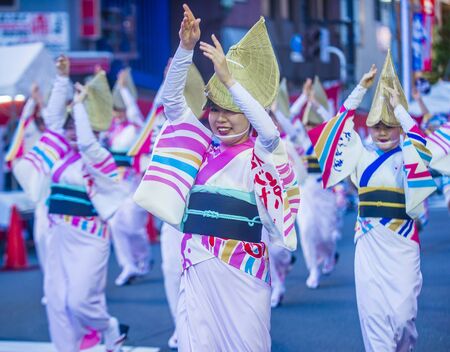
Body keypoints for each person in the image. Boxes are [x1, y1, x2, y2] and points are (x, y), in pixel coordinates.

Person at [134, 5, 299, 351]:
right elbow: (172, 103)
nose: (221, 119)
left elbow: (269, 132)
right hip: (196, 266)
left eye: (232, 111)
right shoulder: (199, 147)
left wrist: (229, 82)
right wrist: (185, 49)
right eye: (216, 110)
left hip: (244, 271)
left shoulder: (260, 154)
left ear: (249, 113)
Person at [308, 52, 436, 351]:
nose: (381, 131)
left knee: (404, 318)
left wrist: (399, 110)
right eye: (376, 124)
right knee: (374, 318)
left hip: (403, 242)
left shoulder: (409, 152)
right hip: (368, 243)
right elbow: (335, 131)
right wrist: (360, 90)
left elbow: (422, 145)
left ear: (399, 128)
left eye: (388, 125)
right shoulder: (360, 153)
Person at [13, 56, 128, 352]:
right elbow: (52, 121)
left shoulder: (101, 158)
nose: (75, 131)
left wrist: (78, 106)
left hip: (89, 236)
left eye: (83, 125)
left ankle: (108, 327)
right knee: (56, 301)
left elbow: (88, 144)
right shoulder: (60, 152)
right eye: (73, 125)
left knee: (79, 300)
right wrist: (61, 79)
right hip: (58, 233)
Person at [273, 77, 340, 289]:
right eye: (308, 122)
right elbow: (285, 118)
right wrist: (303, 97)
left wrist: (317, 104)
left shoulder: (326, 141)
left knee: (327, 235)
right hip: (303, 192)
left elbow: (333, 121)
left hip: (325, 192)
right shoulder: (298, 137)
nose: (310, 126)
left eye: (314, 123)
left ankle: (329, 255)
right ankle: (313, 269)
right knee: (307, 229)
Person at [107, 69, 151, 286]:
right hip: (116, 185)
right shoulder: (112, 131)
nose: (118, 114)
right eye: (115, 111)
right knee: (115, 224)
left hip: (136, 183)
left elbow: (133, 112)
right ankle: (128, 265)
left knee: (134, 225)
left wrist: (124, 89)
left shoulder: (135, 128)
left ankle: (143, 258)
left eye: (121, 110)